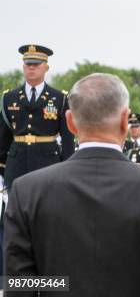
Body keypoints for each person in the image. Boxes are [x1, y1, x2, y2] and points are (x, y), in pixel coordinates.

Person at [3, 73, 140, 296]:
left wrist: (61, 284)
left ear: (70, 122)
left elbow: (20, 287)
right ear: (125, 120)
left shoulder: (27, 192)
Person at [0, 44, 75, 277]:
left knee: (46, 224)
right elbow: (3, 139)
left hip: (49, 166)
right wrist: (2, 170)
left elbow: (68, 138)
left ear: (46, 67)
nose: (30, 69)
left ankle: (48, 277)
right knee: (17, 225)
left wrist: (68, 169)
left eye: (35, 65)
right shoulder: (10, 97)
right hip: (17, 165)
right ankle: (20, 279)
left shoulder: (59, 98)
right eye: (27, 64)